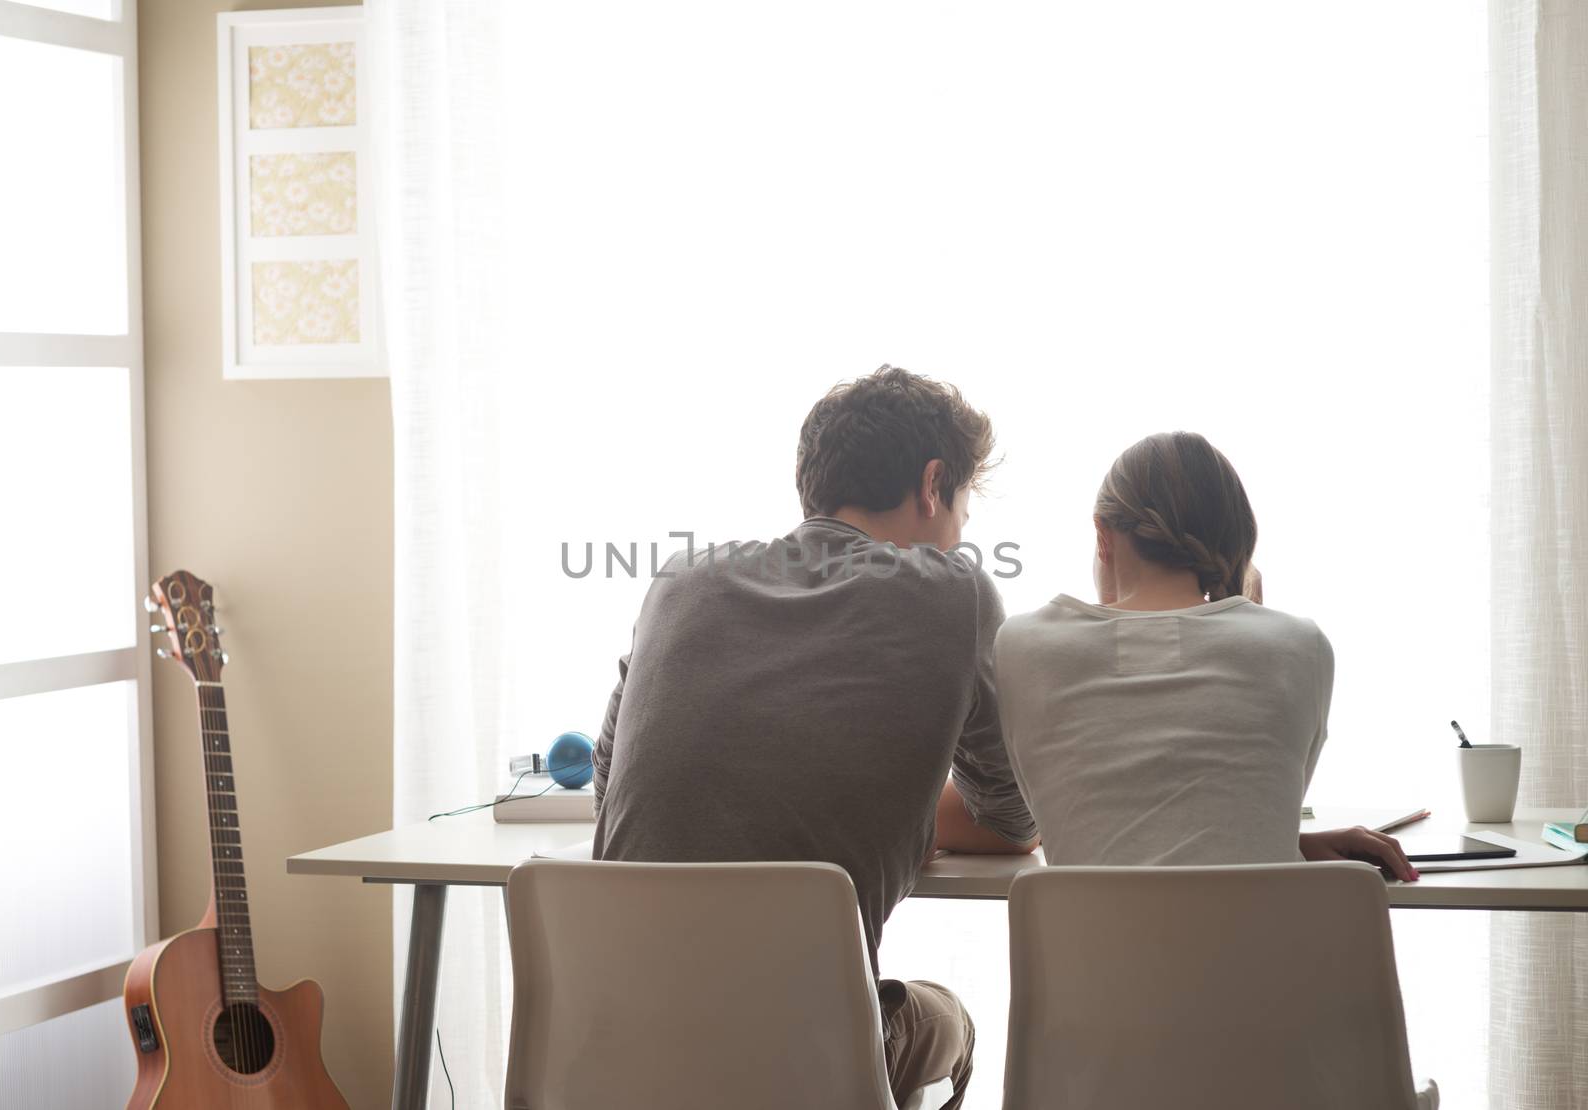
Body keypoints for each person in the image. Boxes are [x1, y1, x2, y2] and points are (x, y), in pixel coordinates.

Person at [592, 364, 1038, 1110]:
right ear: (933, 485)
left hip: (607, 1055)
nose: (961, 532)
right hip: (806, 1067)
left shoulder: (680, 581)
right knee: (949, 1021)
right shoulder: (954, 592)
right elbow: (1016, 816)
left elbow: (612, 796)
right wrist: (889, 809)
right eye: (963, 505)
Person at [994, 430, 1417, 879]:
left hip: (1085, 947)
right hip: (1258, 947)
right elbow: (1251, 807)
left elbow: (1072, 823)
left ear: (1102, 535)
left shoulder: (1022, 645)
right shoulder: (1300, 645)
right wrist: (1290, 846)